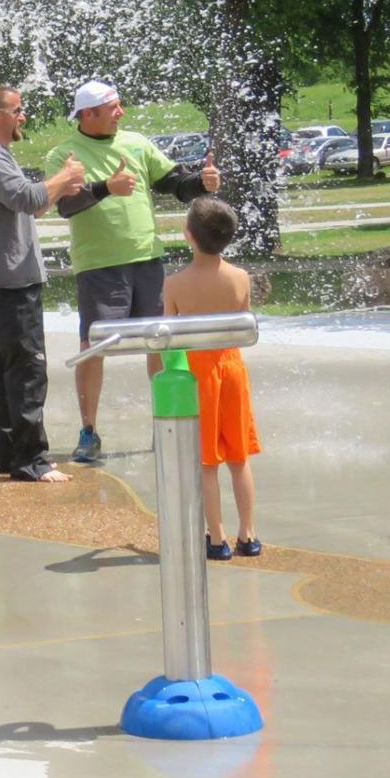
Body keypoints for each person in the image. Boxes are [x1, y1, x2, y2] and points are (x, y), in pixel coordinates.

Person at [44, 79, 220, 463]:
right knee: (93, 348)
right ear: (89, 114)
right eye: (113, 107)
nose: (121, 113)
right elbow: (65, 207)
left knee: (160, 341)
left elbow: (173, 183)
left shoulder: (137, 143)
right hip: (99, 266)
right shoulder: (64, 155)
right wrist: (107, 187)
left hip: (147, 259)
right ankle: (88, 432)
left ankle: (167, 424)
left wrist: (200, 184)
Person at [0, 85, 88, 483]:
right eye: (17, 110)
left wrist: (58, 189)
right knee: (28, 371)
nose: (23, 117)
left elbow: (30, 201)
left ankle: (11, 455)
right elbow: (27, 198)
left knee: (5, 372)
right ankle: (33, 459)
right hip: (11, 281)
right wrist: (64, 176)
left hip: (2, 280)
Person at [163, 196, 261, 560]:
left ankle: (217, 538)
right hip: (232, 367)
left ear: (188, 234)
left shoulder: (175, 284)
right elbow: (243, 327)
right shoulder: (240, 278)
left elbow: (168, 336)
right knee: (239, 457)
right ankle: (248, 535)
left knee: (206, 460)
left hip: (197, 372)